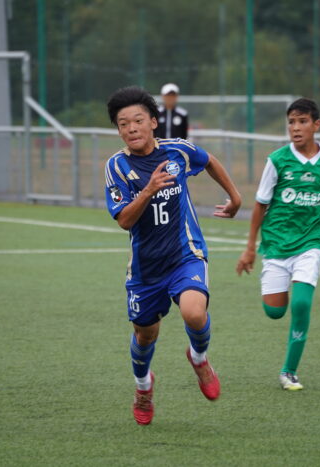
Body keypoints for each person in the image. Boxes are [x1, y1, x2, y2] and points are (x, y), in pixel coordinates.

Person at [104, 86, 242, 425]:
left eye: (138, 120)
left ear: (154, 122)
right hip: (146, 268)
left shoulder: (177, 151)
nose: (132, 128)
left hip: (185, 254)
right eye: (123, 124)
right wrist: (148, 190)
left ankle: (199, 358)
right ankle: (143, 387)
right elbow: (124, 220)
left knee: (194, 313)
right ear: (118, 130)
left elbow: (208, 161)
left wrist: (235, 197)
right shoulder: (117, 167)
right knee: (145, 335)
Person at [235, 98, 320, 391]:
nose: (295, 128)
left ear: (316, 125)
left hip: (312, 241)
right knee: (274, 311)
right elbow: (260, 205)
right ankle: (274, 288)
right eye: (291, 123)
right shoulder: (277, 160)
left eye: (302, 122)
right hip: (277, 242)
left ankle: (289, 371)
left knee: (301, 303)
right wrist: (250, 248)